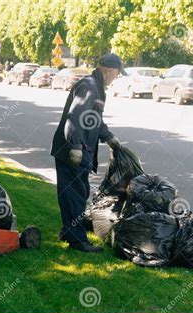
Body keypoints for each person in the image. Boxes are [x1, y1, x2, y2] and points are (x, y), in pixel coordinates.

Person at [50, 53, 125, 253]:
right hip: (73, 151)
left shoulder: (99, 90)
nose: (116, 78)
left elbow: (94, 120)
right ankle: (77, 241)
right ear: (109, 70)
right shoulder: (90, 87)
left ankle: (70, 232)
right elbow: (75, 117)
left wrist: (109, 137)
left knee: (79, 193)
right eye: (117, 74)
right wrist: (74, 146)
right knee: (74, 195)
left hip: (84, 150)